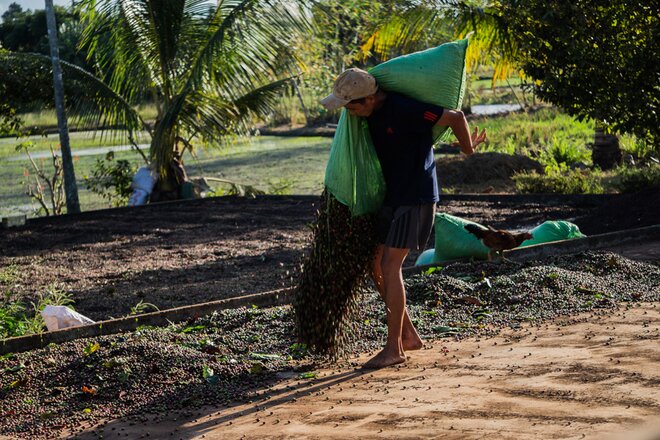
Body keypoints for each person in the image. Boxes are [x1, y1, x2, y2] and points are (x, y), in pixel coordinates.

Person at [321, 68, 487, 369]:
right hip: (394, 196)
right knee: (375, 262)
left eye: (351, 106)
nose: (348, 113)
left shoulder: (403, 108)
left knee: (390, 264)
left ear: (370, 99)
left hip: (417, 197)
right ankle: (409, 336)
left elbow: (455, 117)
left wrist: (467, 149)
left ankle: (393, 348)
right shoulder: (370, 114)